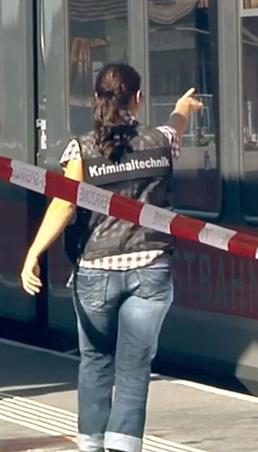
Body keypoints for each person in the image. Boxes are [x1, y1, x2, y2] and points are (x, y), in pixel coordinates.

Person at [19, 63, 202, 452]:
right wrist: (184, 107)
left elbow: (63, 206)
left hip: (96, 271)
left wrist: (34, 253)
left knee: (96, 361)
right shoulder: (162, 140)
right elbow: (177, 124)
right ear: (138, 98)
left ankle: (91, 445)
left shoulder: (82, 148)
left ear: (96, 100)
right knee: (135, 368)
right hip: (151, 267)